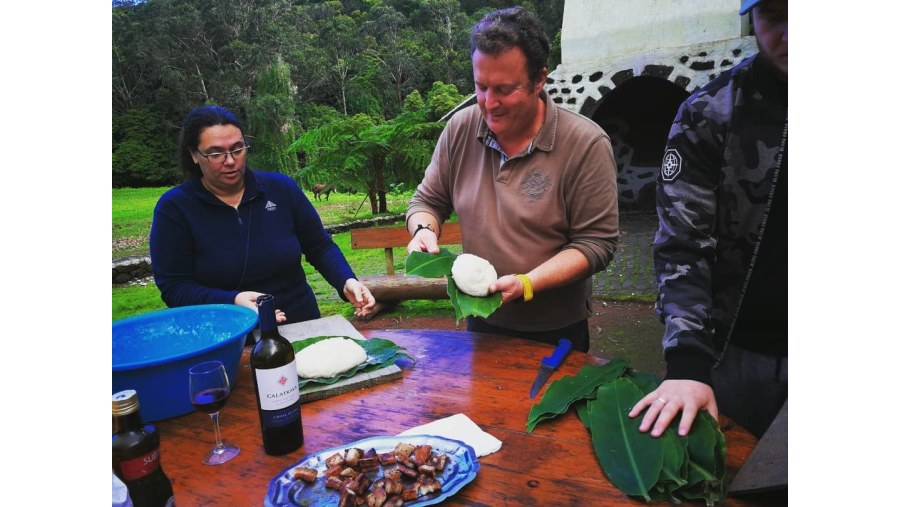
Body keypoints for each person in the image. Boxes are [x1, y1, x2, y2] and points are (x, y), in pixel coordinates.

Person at [405, 7, 619, 353]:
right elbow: (428, 201)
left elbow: (596, 244)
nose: (490, 104)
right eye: (481, 87)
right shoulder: (460, 129)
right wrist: (424, 230)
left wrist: (528, 283)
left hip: (555, 329)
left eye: (505, 89)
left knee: (550, 407)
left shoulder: (585, 144)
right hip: (479, 318)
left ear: (539, 80)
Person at [629, 0, 788, 439]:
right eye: (775, 17)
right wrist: (687, 363)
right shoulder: (711, 111)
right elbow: (683, 243)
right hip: (738, 354)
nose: (793, 34)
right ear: (752, 20)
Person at [150, 105, 376, 328]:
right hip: (226, 336)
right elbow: (174, 287)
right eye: (216, 153)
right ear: (194, 155)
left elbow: (319, 246)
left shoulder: (281, 189)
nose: (230, 161)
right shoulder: (175, 208)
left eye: (238, 149)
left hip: (300, 326)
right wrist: (233, 301)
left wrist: (346, 280)